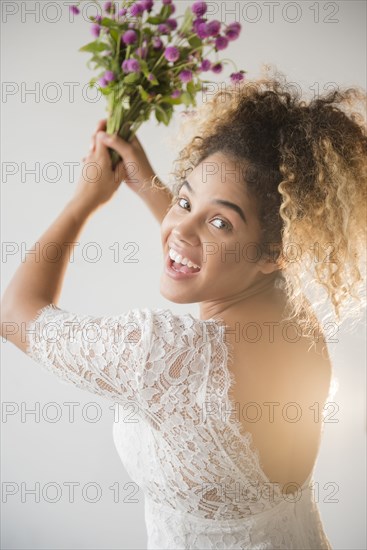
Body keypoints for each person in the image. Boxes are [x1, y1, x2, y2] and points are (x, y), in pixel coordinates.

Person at [1, 70, 366, 549]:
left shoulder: (163, 356)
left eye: (219, 221)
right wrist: (151, 186)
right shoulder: (295, 314)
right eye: (183, 199)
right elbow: (214, 254)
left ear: (273, 252)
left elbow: (17, 313)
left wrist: (82, 202)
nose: (179, 227)